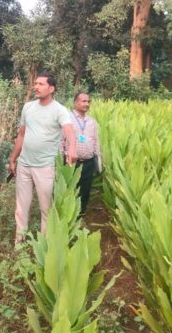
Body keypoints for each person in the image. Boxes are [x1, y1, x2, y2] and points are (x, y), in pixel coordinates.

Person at [8, 73, 77, 242]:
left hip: (45, 166)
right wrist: (13, 158)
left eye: (40, 84)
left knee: (46, 208)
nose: (36, 87)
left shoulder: (60, 110)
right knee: (21, 207)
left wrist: (72, 148)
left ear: (51, 88)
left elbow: (69, 131)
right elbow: (22, 134)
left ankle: (45, 244)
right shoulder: (28, 107)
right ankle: (19, 242)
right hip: (24, 164)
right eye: (35, 84)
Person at [61, 92, 102, 216]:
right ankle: (68, 216)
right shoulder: (67, 119)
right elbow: (60, 141)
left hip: (88, 162)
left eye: (88, 101)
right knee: (70, 189)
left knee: (85, 190)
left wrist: (98, 162)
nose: (87, 104)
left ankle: (81, 215)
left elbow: (96, 142)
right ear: (75, 103)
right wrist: (61, 159)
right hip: (71, 162)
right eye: (83, 101)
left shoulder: (91, 121)